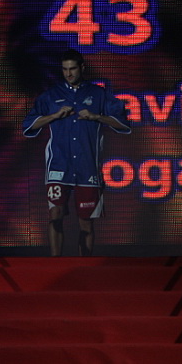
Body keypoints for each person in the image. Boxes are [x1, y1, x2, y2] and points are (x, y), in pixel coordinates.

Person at [23, 49, 130, 256]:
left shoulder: (99, 94)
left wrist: (96, 117)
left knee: (86, 222)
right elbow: (29, 125)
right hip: (59, 165)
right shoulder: (50, 96)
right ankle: (55, 263)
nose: (68, 73)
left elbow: (123, 124)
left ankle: (84, 265)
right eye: (65, 69)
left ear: (82, 68)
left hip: (87, 167)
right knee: (55, 214)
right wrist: (54, 116)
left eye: (72, 69)